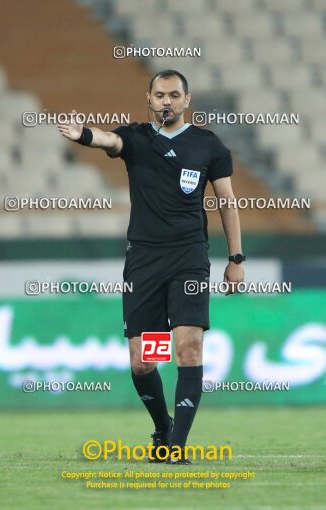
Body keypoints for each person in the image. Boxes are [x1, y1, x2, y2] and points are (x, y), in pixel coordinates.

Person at [57, 69, 245, 464]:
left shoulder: (208, 145)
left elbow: (227, 201)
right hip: (144, 262)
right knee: (144, 360)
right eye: (159, 95)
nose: (166, 102)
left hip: (189, 260)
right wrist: (84, 134)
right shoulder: (138, 138)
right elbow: (109, 140)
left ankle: (177, 446)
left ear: (186, 100)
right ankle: (162, 427)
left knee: (189, 347)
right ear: (148, 98)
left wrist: (235, 259)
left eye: (174, 95)